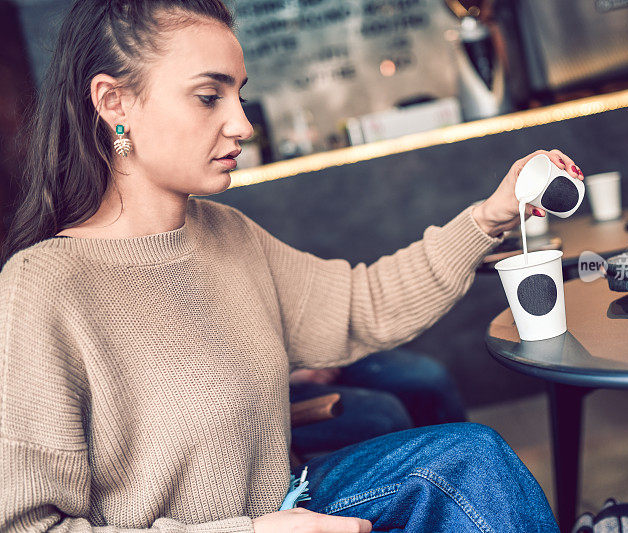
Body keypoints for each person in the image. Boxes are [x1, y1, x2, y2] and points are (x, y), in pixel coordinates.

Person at [0, 1, 584, 531]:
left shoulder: (228, 235)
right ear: (114, 103)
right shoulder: (44, 288)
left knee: (470, 460)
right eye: (209, 97)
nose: (242, 125)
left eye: (240, 96)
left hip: (285, 509)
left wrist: (489, 215)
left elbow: (364, 305)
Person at [289, 348, 468, 457]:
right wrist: (290, 372)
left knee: (429, 378)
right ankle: (424, 488)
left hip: (315, 348)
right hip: (274, 390)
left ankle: (467, 465)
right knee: (386, 416)